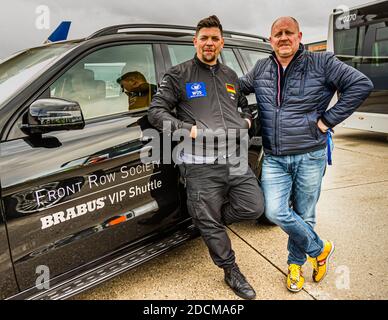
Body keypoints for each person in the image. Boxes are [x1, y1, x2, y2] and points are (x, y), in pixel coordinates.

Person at [239, 16, 373, 292]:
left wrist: (327, 121)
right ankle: (320, 249)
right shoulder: (261, 68)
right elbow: (233, 88)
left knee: (305, 213)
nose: (284, 37)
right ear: (271, 39)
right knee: (275, 211)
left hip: (310, 153)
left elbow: (361, 85)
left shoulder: (322, 63)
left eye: (289, 33)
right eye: (278, 34)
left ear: (299, 36)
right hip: (275, 156)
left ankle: (295, 265)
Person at [148, 15, 264, 300]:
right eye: (204, 38)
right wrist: (188, 130)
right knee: (210, 220)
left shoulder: (230, 76)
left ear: (221, 42)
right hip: (199, 164)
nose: (209, 43)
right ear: (195, 42)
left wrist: (247, 120)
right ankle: (230, 269)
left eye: (214, 39)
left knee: (254, 207)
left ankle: (206, 221)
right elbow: (155, 112)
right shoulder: (179, 74)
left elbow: (243, 106)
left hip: (235, 159)